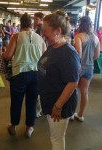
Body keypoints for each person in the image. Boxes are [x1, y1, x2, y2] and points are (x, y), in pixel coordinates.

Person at [37, 10, 80, 150]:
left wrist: (58, 106)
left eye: (46, 30)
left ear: (57, 31)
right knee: (54, 137)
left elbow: (73, 82)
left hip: (59, 106)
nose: (43, 33)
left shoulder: (67, 53)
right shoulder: (53, 46)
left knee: (56, 140)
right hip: (51, 100)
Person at [3, 13, 46, 138]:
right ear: (31, 24)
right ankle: (29, 128)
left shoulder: (16, 36)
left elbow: (7, 56)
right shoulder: (40, 38)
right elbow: (44, 58)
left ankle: (13, 126)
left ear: (21, 24)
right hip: (36, 74)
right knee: (32, 102)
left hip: (20, 73)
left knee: (16, 101)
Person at [73, 16, 100, 122]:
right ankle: (80, 115)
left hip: (79, 67)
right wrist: (89, 60)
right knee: (84, 92)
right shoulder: (95, 37)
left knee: (73, 90)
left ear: (81, 24)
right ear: (90, 24)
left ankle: (71, 113)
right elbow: (97, 55)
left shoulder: (79, 36)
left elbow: (78, 51)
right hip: (90, 68)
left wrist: (79, 64)